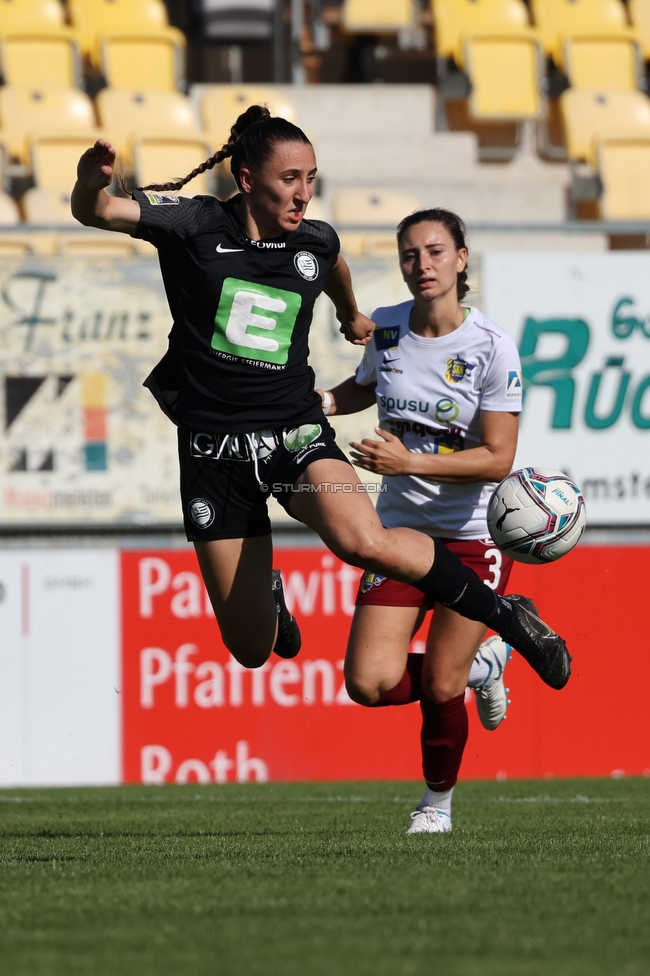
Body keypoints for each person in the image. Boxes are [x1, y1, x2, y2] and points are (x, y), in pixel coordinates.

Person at [70, 106, 570, 694]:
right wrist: (90, 182)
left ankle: (508, 619)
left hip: (295, 435)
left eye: (311, 178)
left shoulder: (315, 238)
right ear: (249, 179)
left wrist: (348, 311)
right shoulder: (194, 224)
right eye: (290, 179)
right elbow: (98, 211)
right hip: (213, 454)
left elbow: (331, 262)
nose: (304, 193)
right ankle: (271, 599)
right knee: (252, 650)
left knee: (367, 542)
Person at [318, 208, 536, 833]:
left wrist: (408, 459)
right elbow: (367, 386)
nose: (423, 265)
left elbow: (498, 459)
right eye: (411, 254)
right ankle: (486, 666)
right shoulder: (386, 327)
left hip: (471, 539)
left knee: (441, 687)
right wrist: (324, 402)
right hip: (399, 537)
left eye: (436, 252)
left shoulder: (491, 347)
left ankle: (435, 806)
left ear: (461, 259)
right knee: (368, 682)